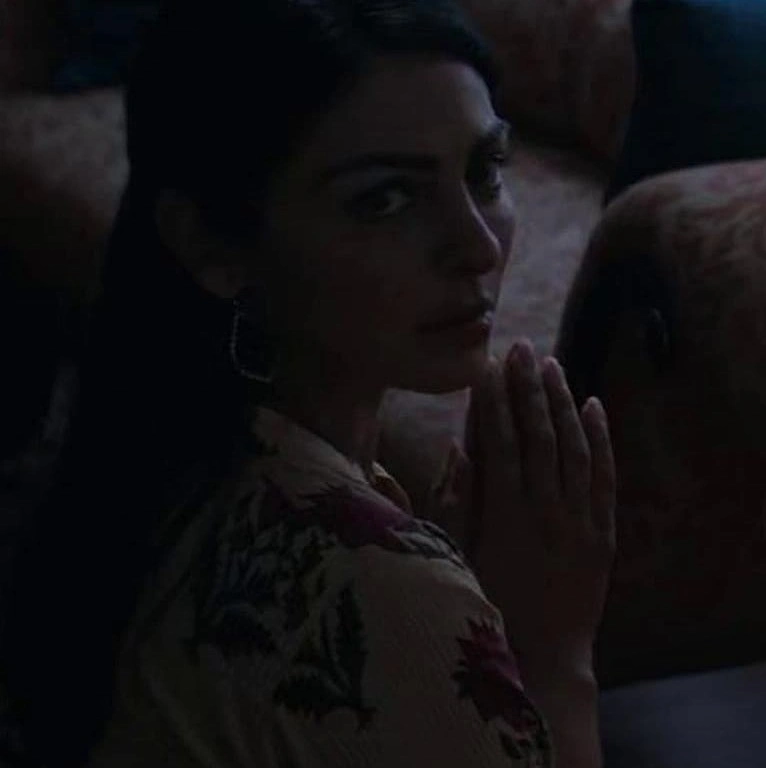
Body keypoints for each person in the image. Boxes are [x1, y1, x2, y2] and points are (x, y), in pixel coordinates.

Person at [0, 1, 615, 765]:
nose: (478, 245)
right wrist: (550, 656)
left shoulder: (163, 458)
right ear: (213, 245)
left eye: (484, 171)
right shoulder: (375, 587)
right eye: (385, 199)